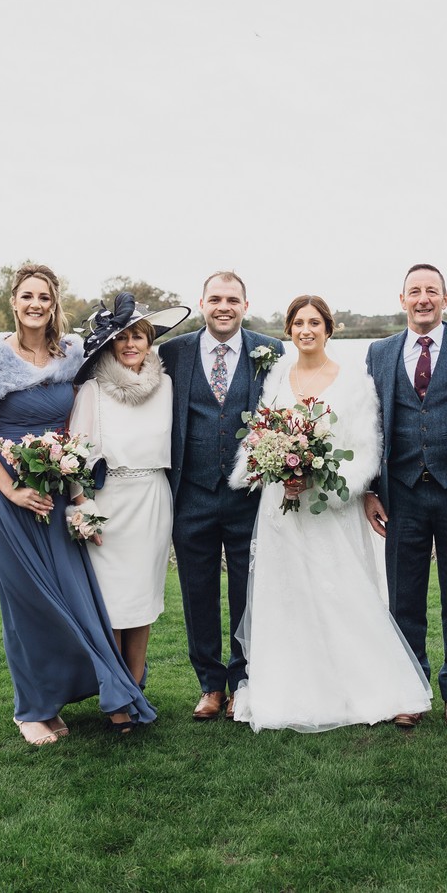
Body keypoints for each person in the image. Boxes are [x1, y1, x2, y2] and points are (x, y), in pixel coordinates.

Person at [0, 264, 155, 745]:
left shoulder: (70, 353)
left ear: (54, 304)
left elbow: (103, 393)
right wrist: (11, 489)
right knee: (28, 605)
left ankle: (73, 693)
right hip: (12, 500)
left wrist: (78, 493)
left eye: (43, 297)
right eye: (27, 295)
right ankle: (32, 709)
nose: (35, 304)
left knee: (71, 600)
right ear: (13, 301)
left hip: (57, 495)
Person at [229, 295, 431, 732]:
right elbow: (264, 431)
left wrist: (318, 476)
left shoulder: (352, 380)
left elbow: (364, 449)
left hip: (329, 506)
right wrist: (274, 465)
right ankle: (290, 688)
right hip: (282, 506)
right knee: (286, 596)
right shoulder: (279, 375)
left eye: (314, 323)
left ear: (328, 329)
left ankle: (361, 687)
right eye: (298, 323)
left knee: (337, 591)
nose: (306, 330)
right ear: (289, 329)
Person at [363, 264, 447, 728]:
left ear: (446, 298)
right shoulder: (379, 352)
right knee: (404, 599)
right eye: (415, 291)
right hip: (400, 494)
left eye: (432, 291)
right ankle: (411, 689)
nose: (423, 299)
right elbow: (369, 425)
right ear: (402, 299)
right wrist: (368, 491)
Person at [159, 271, 285, 720]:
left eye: (232, 299)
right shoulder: (173, 352)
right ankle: (210, 684)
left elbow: (286, 411)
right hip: (190, 492)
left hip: (248, 495)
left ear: (245, 305)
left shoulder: (270, 350)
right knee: (197, 591)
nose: (224, 307)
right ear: (202, 303)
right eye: (215, 299)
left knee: (248, 592)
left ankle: (244, 680)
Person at [68, 291, 190, 690]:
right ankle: (115, 693)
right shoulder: (93, 391)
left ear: (149, 341)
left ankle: (135, 690)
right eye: (122, 338)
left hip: (153, 500)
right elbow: (74, 458)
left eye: (138, 336)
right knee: (113, 605)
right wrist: (82, 508)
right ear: (110, 344)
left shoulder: (168, 386)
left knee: (143, 603)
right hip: (110, 505)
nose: (131, 345)